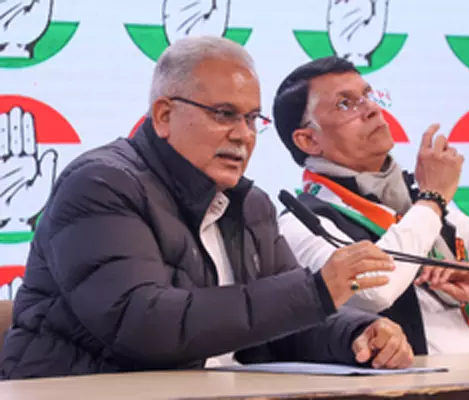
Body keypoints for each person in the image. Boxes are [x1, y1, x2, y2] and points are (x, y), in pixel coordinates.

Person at [0, 38, 415, 380]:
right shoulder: (100, 184)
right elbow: (143, 324)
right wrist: (314, 290)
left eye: (252, 119)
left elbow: (284, 325)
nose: (243, 135)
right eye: (224, 114)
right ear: (164, 115)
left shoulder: (251, 205)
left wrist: (358, 333)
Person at [272, 56, 469, 356]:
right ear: (308, 140)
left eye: (368, 96)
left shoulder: (420, 204)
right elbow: (374, 291)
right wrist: (433, 199)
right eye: (345, 104)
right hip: (424, 387)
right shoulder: (301, 222)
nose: (371, 109)